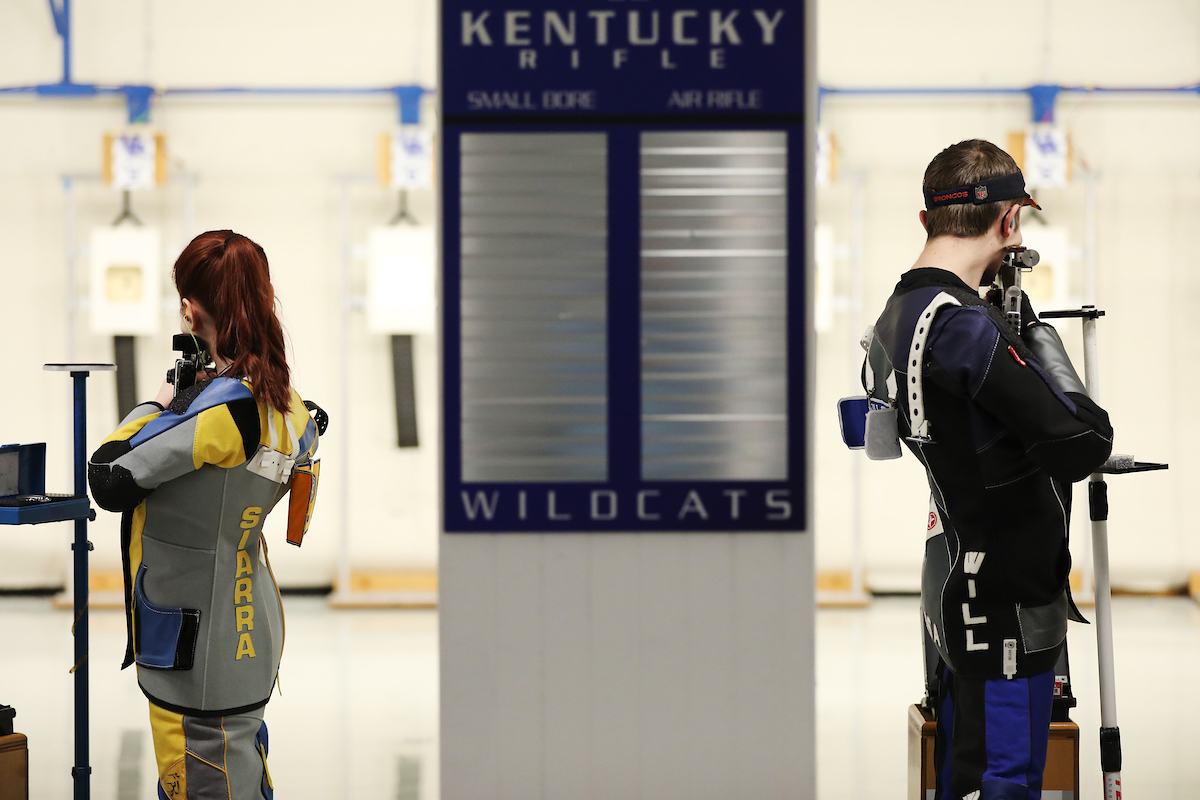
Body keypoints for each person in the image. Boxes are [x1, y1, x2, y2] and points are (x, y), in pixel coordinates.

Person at [860, 140, 1114, 800]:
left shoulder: (894, 317)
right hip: (1007, 601)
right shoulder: (963, 326)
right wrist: (1042, 345)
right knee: (1007, 781)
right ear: (1009, 223)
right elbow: (1082, 442)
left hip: (956, 582)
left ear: (926, 221)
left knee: (964, 774)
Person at [89, 230, 324, 799]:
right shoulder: (291, 407)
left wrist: (161, 406)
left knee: (201, 782)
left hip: (191, 646)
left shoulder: (223, 413)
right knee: (243, 775)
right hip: (247, 632)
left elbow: (110, 476)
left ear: (191, 310)